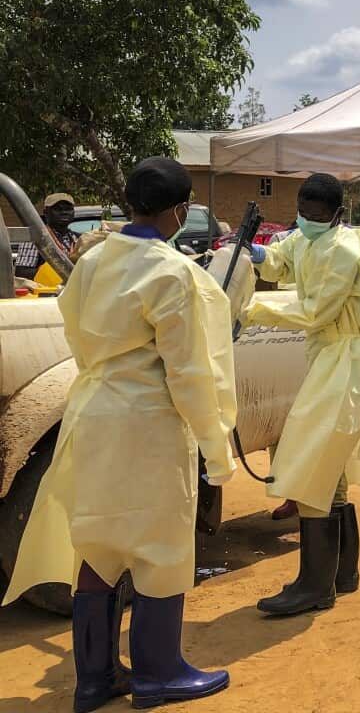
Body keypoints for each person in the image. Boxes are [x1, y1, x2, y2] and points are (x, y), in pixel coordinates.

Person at [1, 157, 238, 709]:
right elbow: (188, 372)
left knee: (98, 547)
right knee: (159, 545)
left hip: (91, 411)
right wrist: (215, 444)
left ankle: (95, 677)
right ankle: (159, 674)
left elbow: (72, 324)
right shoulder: (173, 272)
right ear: (179, 210)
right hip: (147, 423)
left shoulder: (93, 260)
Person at [245, 173, 360, 616]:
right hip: (330, 357)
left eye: (316, 216)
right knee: (333, 467)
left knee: (312, 463)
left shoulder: (343, 250)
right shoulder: (307, 237)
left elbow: (313, 312)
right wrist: (254, 253)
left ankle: (314, 585)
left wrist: (251, 312)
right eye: (303, 213)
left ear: (336, 215)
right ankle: (341, 574)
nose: (307, 221)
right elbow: (282, 261)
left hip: (346, 361)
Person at [15, 193, 79, 280]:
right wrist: (54, 273)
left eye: (68, 209)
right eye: (58, 209)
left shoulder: (78, 239)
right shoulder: (36, 238)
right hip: (46, 292)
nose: (64, 212)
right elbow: (22, 272)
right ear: (46, 212)